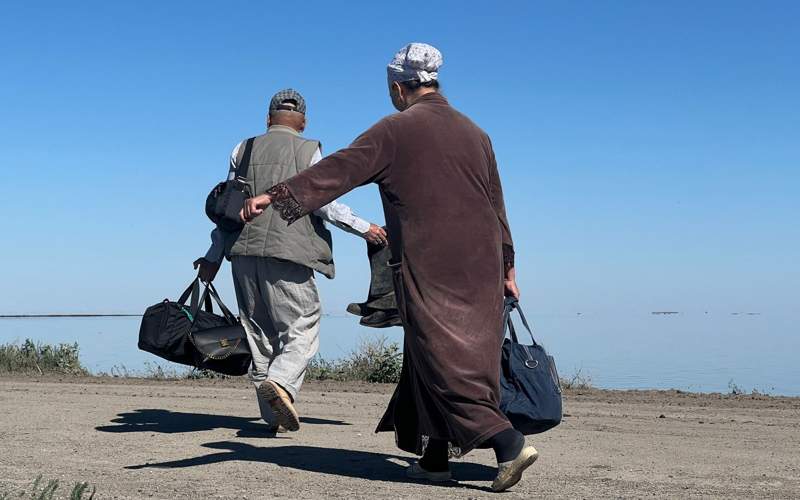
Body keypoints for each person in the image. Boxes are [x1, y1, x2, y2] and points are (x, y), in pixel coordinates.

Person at [240, 44, 537, 492]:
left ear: (398, 87)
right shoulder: (477, 133)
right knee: (426, 354)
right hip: (484, 262)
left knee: (443, 356)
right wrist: (509, 265)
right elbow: (498, 204)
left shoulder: (396, 129)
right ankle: (435, 457)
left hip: (430, 261)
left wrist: (277, 195)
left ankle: (508, 443)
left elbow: (340, 168)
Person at [194, 89, 387, 433]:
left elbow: (228, 208)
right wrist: (365, 228)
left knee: (260, 337)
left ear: (268, 119)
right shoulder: (309, 150)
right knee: (301, 327)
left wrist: (212, 258)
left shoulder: (243, 148)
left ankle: (272, 419)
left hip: (242, 252)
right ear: (304, 122)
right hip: (289, 253)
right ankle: (282, 383)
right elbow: (325, 203)